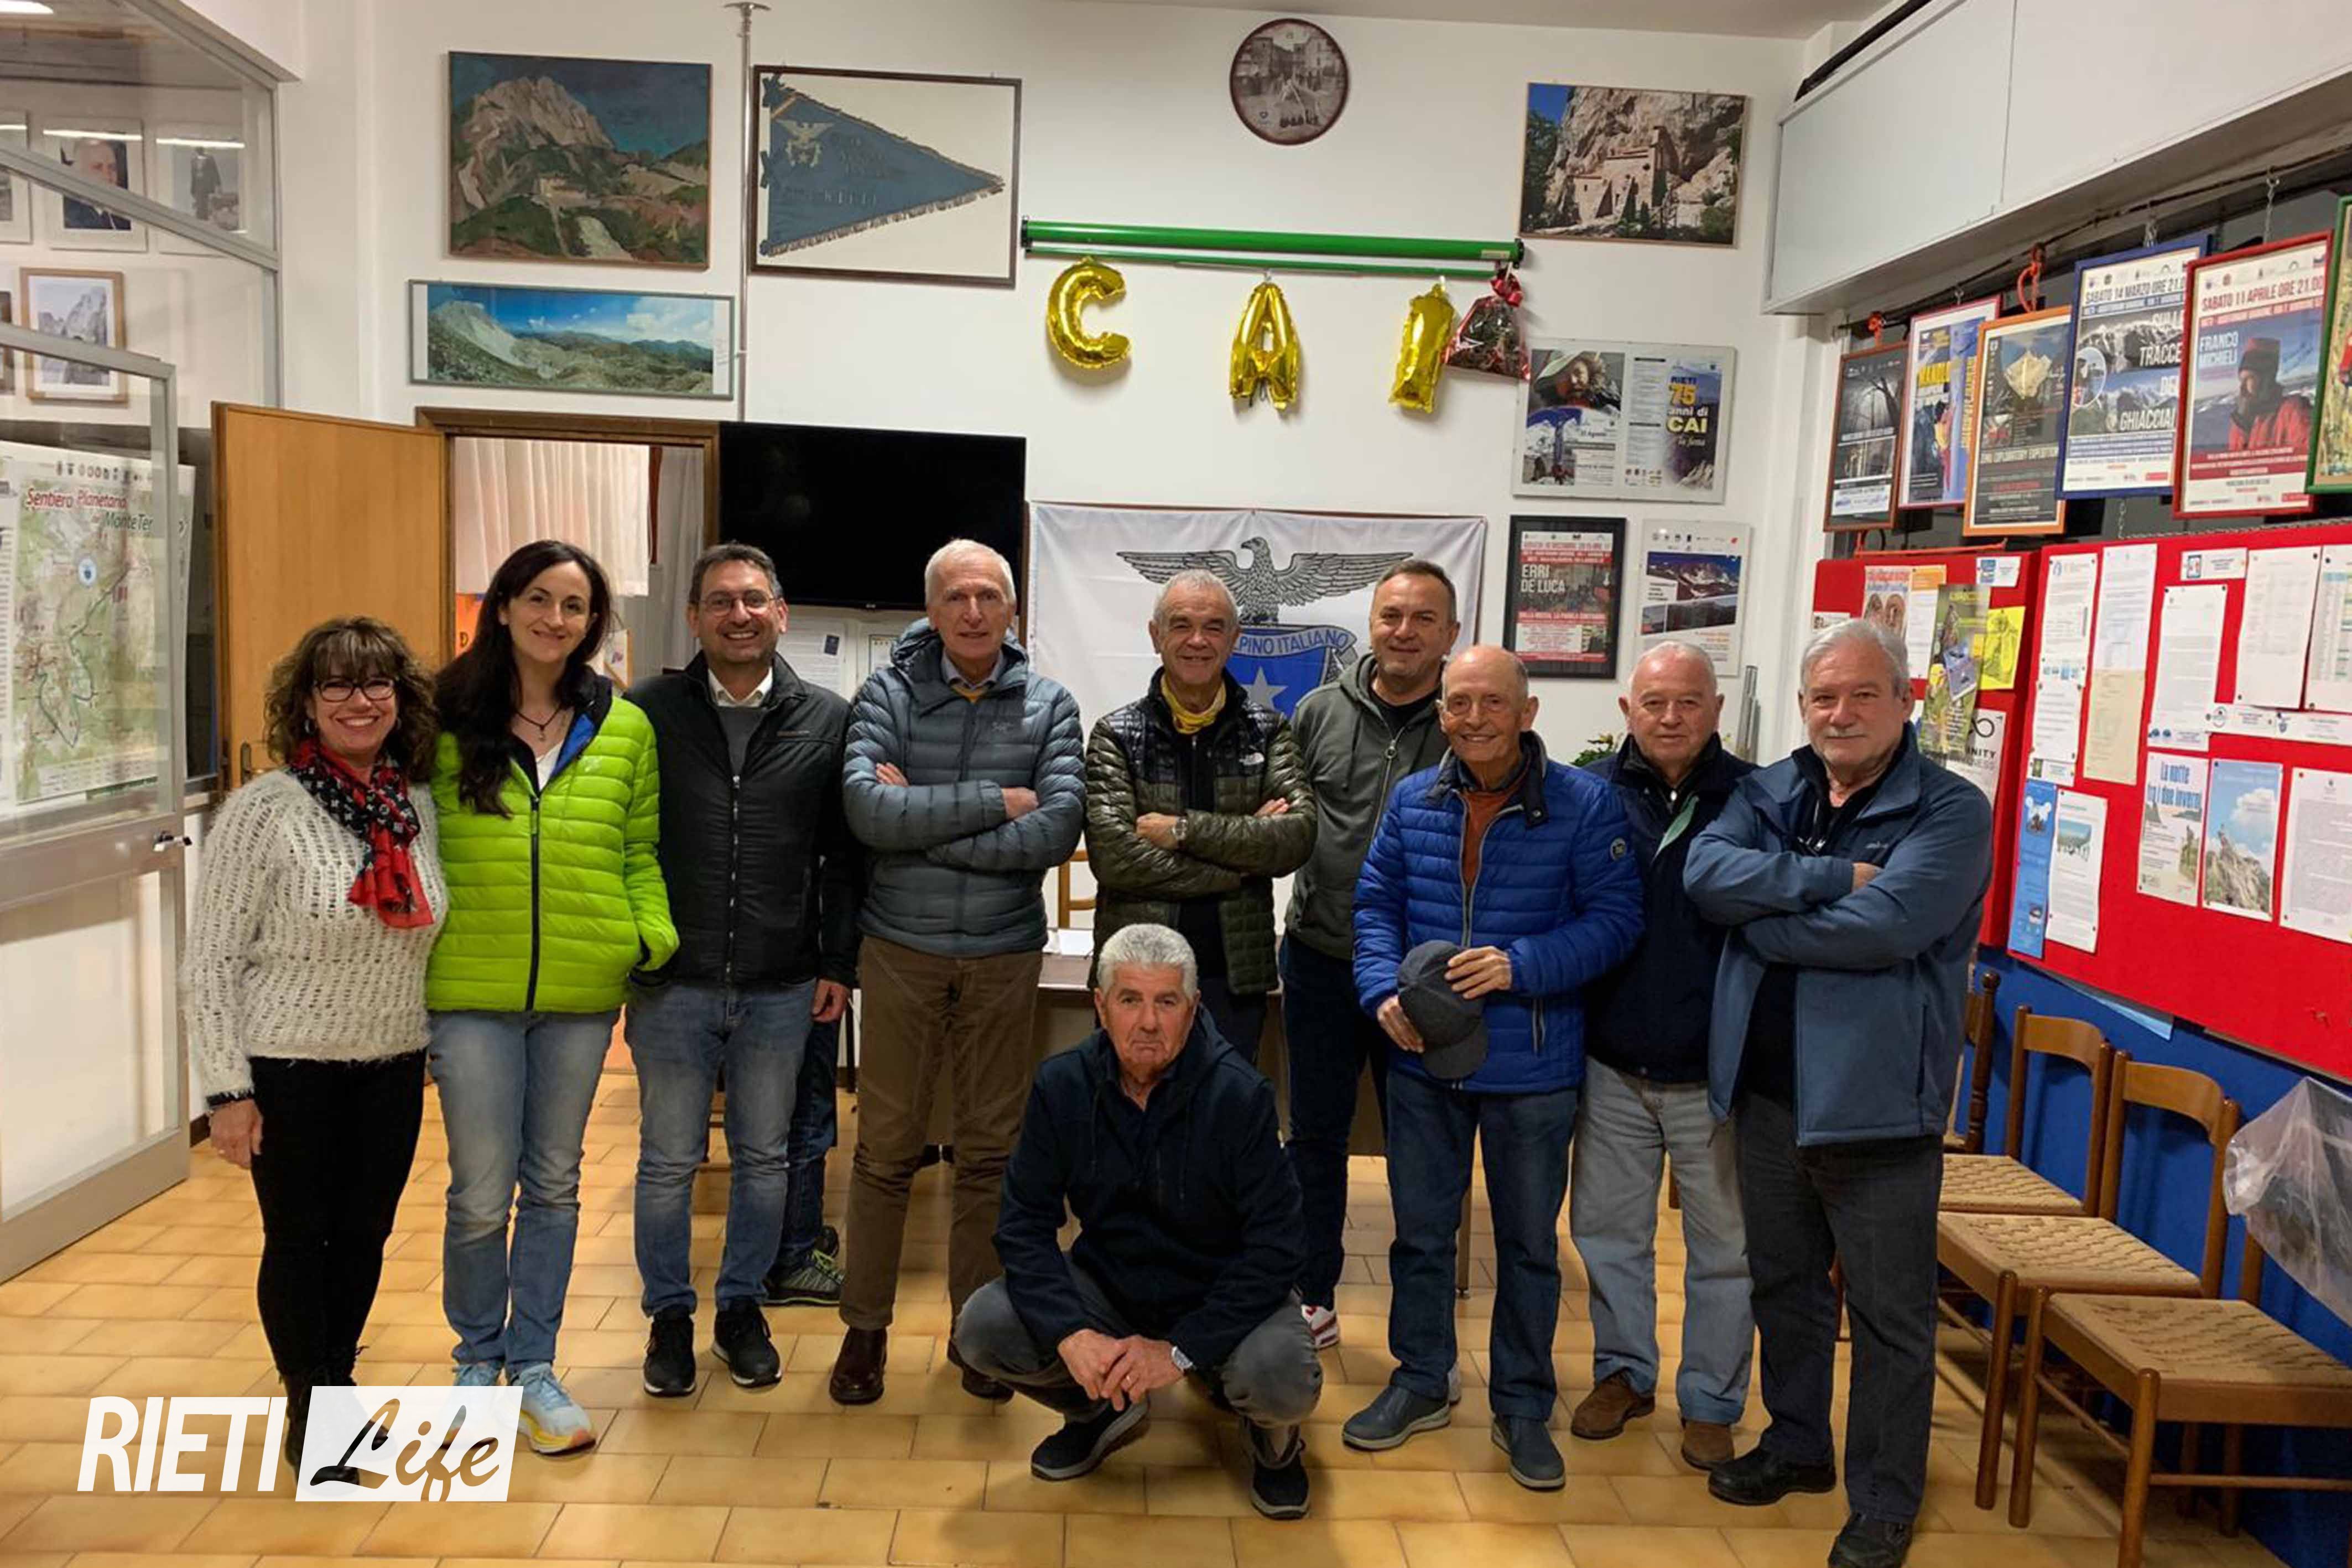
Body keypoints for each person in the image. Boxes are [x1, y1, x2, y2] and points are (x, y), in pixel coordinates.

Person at [1684, 618, 1992, 1568]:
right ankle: (1797, 1444)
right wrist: (1824, 879)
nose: (1841, 712)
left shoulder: (1949, 810)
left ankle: (1885, 1500)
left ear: (1904, 700)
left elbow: (1888, 927)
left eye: (1863, 693)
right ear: (1803, 704)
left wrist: (1762, 928)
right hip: (1771, 1096)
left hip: (1880, 1109)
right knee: (1785, 1286)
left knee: (1890, 1317)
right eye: (1824, 696)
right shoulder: (1773, 788)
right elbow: (1706, 873)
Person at [1342, 645, 1643, 1491]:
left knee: (1528, 1246)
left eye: (1491, 702)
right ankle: (1421, 1378)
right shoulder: (1414, 798)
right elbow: (1376, 907)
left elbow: (1617, 920)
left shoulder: (1587, 804)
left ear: (1527, 712)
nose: (1473, 717)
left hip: (1534, 1065)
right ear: (1441, 713)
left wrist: (1521, 964)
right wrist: (1381, 990)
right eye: (1458, 703)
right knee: (1420, 1234)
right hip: (1424, 1057)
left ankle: (1521, 1403)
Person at [428, 539, 677, 1456]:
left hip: (581, 989)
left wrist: (647, 934)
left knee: (556, 1185)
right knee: (479, 1191)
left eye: (575, 606)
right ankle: (474, 1361)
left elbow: (638, 849)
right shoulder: (441, 717)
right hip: (470, 988)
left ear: (592, 623)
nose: (555, 619)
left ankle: (533, 1364)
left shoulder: (623, 725)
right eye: (538, 598)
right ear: (502, 606)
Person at [183, 617, 446, 1470]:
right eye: (335, 683)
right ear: (304, 702)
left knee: (364, 1235)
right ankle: (313, 1406)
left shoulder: (415, 806)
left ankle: (335, 1380)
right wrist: (227, 1091)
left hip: (393, 1063)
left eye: (376, 682)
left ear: (401, 699)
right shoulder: (264, 811)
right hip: (289, 1068)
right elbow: (211, 959)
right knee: (300, 1239)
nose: (357, 700)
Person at [830, 539, 1085, 1406]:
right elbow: (868, 811)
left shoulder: (1050, 703)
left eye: (989, 596)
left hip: (1004, 953)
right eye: (956, 597)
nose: (973, 611)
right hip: (900, 948)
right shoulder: (887, 692)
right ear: (932, 610)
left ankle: (978, 1333)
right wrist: (992, 802)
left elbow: (1055, 830)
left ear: (1012, 610)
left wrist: (921, 822)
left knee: (990, 1150)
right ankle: (865, 1326)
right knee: (886, 1147)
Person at [954, 923, 1321, 1519]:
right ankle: (1099, 1407)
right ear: (1101, 1007)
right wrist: (1072, 1335)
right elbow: (1022, 1225)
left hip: (1221, 1293)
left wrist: (1179, 1351)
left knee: (1280, 1376)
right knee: (982, 1326)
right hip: (1112, 1288)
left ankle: (1273, 1441)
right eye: (1130, 1000)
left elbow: (1279, 1248)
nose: (1148, 1022)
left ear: (1192, 1009)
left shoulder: (1240, 1096)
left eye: (1166, 1002)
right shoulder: (1061, 1085)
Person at [626, 543, 858, 1395]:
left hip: (782, 982)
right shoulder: (646, 711)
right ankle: (668, 1318)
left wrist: (839, 960)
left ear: (781, 614)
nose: (739, 614)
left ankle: (740, 1310)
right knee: (667, 1160)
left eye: (755, 599)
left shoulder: (827, 718)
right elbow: (620, 839)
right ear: (694, 617)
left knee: (766, 1157)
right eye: (721, 600)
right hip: (673, 983)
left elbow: (844, 856)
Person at [1570, 640, 1755, 1471]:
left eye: (1688, 701)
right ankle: (1623, 1372)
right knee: (1609, 1234)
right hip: (1611, 1062)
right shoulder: (1587, 795)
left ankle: (1711, 1401)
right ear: (1627, 711)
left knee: (1726, 1250)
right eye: (1654, 703)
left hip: (1716, 1073)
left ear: (1717, 708)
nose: (1671, 717)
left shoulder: (1759, 799)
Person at [1282, 559, 1458, 1349]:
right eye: (1391, 615)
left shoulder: (1469, 718)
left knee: (1419, 1146)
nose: (1404, 631)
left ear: (1450, 633)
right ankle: (1310, 1293)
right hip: (1320, 956)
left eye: (1423, 618)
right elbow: (1284, 818)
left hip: (1423, 976)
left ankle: (1419, 1329)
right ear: (1372, 624)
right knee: (1314, 1135)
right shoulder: (1318, 711)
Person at [1083, 568, 1316, 1060]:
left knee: (1226, 1105)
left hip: (1233, 976)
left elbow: (1296, 837)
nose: (1197, 640)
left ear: (1235, 638)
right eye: (1181, 625)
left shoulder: (1270, 730)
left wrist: (1184, 830)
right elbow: (1115, 858)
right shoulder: (1115, 734)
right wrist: (1240, 864)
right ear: (1156, 635)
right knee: (1131, 1105)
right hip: (1136, 971)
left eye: (1213, 627)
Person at [761, 1014, 846, 1308]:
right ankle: (793, 1260)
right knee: (808, 1115)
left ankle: (786, 1243)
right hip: (804, 997)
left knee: (769, 1127)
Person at [2227, 336, 2314, 452]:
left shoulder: (2292, 411)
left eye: (2249, 379)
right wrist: (2242, 425)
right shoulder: (2242, 422)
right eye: (2241, 380)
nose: (2242, 388)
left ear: (2266, 380)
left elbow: (2309, 450)